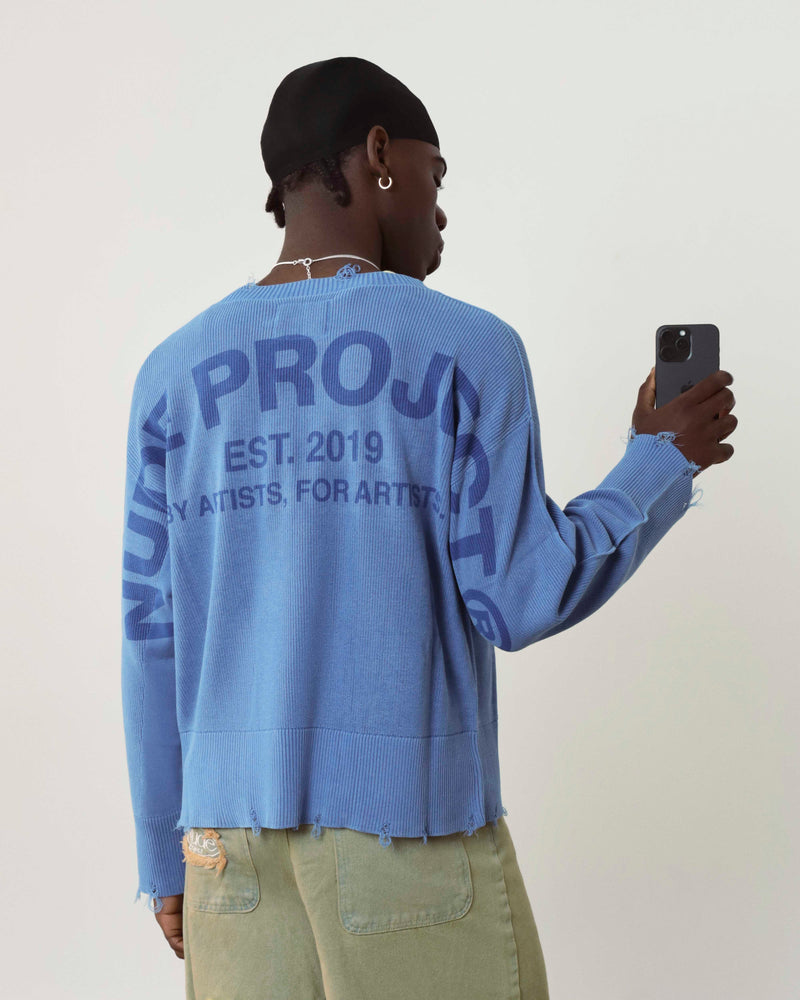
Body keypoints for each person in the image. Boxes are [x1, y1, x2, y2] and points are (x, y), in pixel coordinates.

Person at [121, 56, 737, 1000]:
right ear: (378, 155)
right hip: (408, 845)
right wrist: (660, 460)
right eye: (434, 176)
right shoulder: (465, 348)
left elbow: (150, 633)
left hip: (225, 862)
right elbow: (521, 595)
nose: (440, 211)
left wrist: (164, 856)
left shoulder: (171, 375)